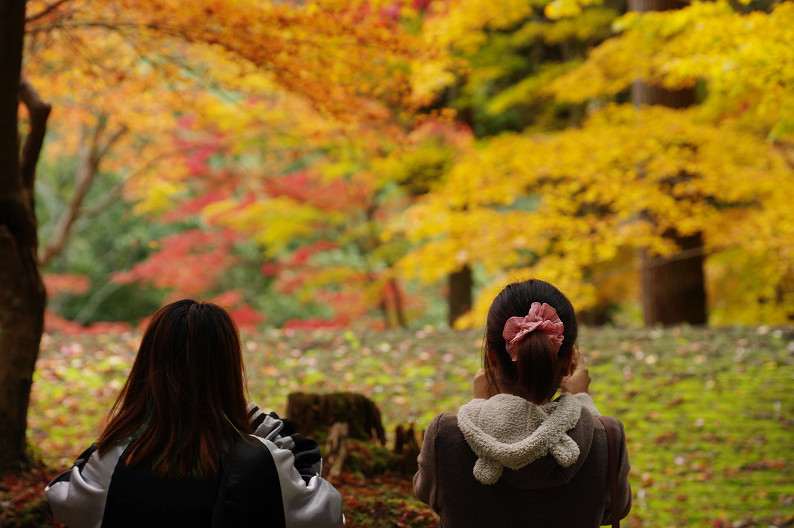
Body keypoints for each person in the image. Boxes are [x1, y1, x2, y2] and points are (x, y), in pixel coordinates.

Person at [46, 299, 344, 528]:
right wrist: (251, 420)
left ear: (148, 366)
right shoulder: (262, 459)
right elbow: (325, 512)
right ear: (228, 368)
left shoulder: (115, 458)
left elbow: (63, 499)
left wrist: (121, 433)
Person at [413, 279, 631, 527]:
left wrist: (481, 405)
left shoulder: (445, 436)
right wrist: (583, 404)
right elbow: (615, 508)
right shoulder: (609, 438)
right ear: (570, 359)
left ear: (491, 358)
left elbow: (427, 493)